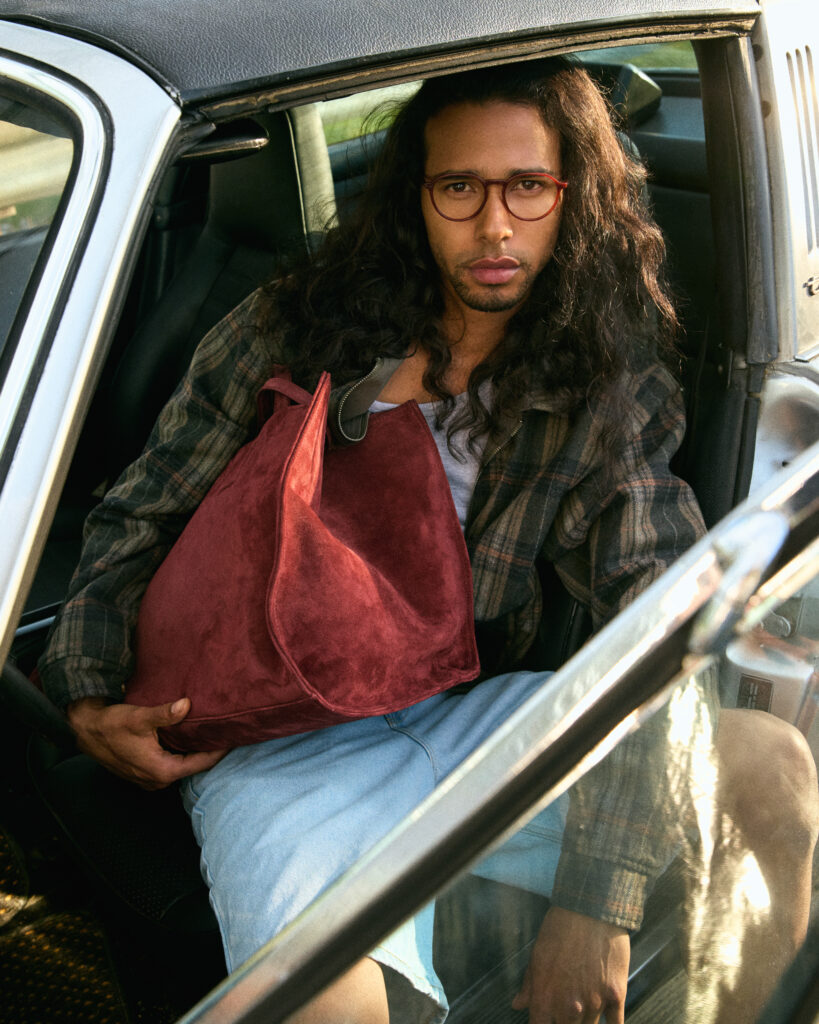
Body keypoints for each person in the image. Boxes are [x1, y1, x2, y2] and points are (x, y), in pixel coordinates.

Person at [38, 58, 816, 1024]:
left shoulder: (602, 385)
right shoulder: (294, 324)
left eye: (527, 187)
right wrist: (86, 692)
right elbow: (138, 509)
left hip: (468, 715)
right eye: (460, 188)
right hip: (281, 746)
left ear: (573, 200)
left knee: (771, 770)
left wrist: (595, 900)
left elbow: (662, 622)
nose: (495, 226)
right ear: (416, 198)